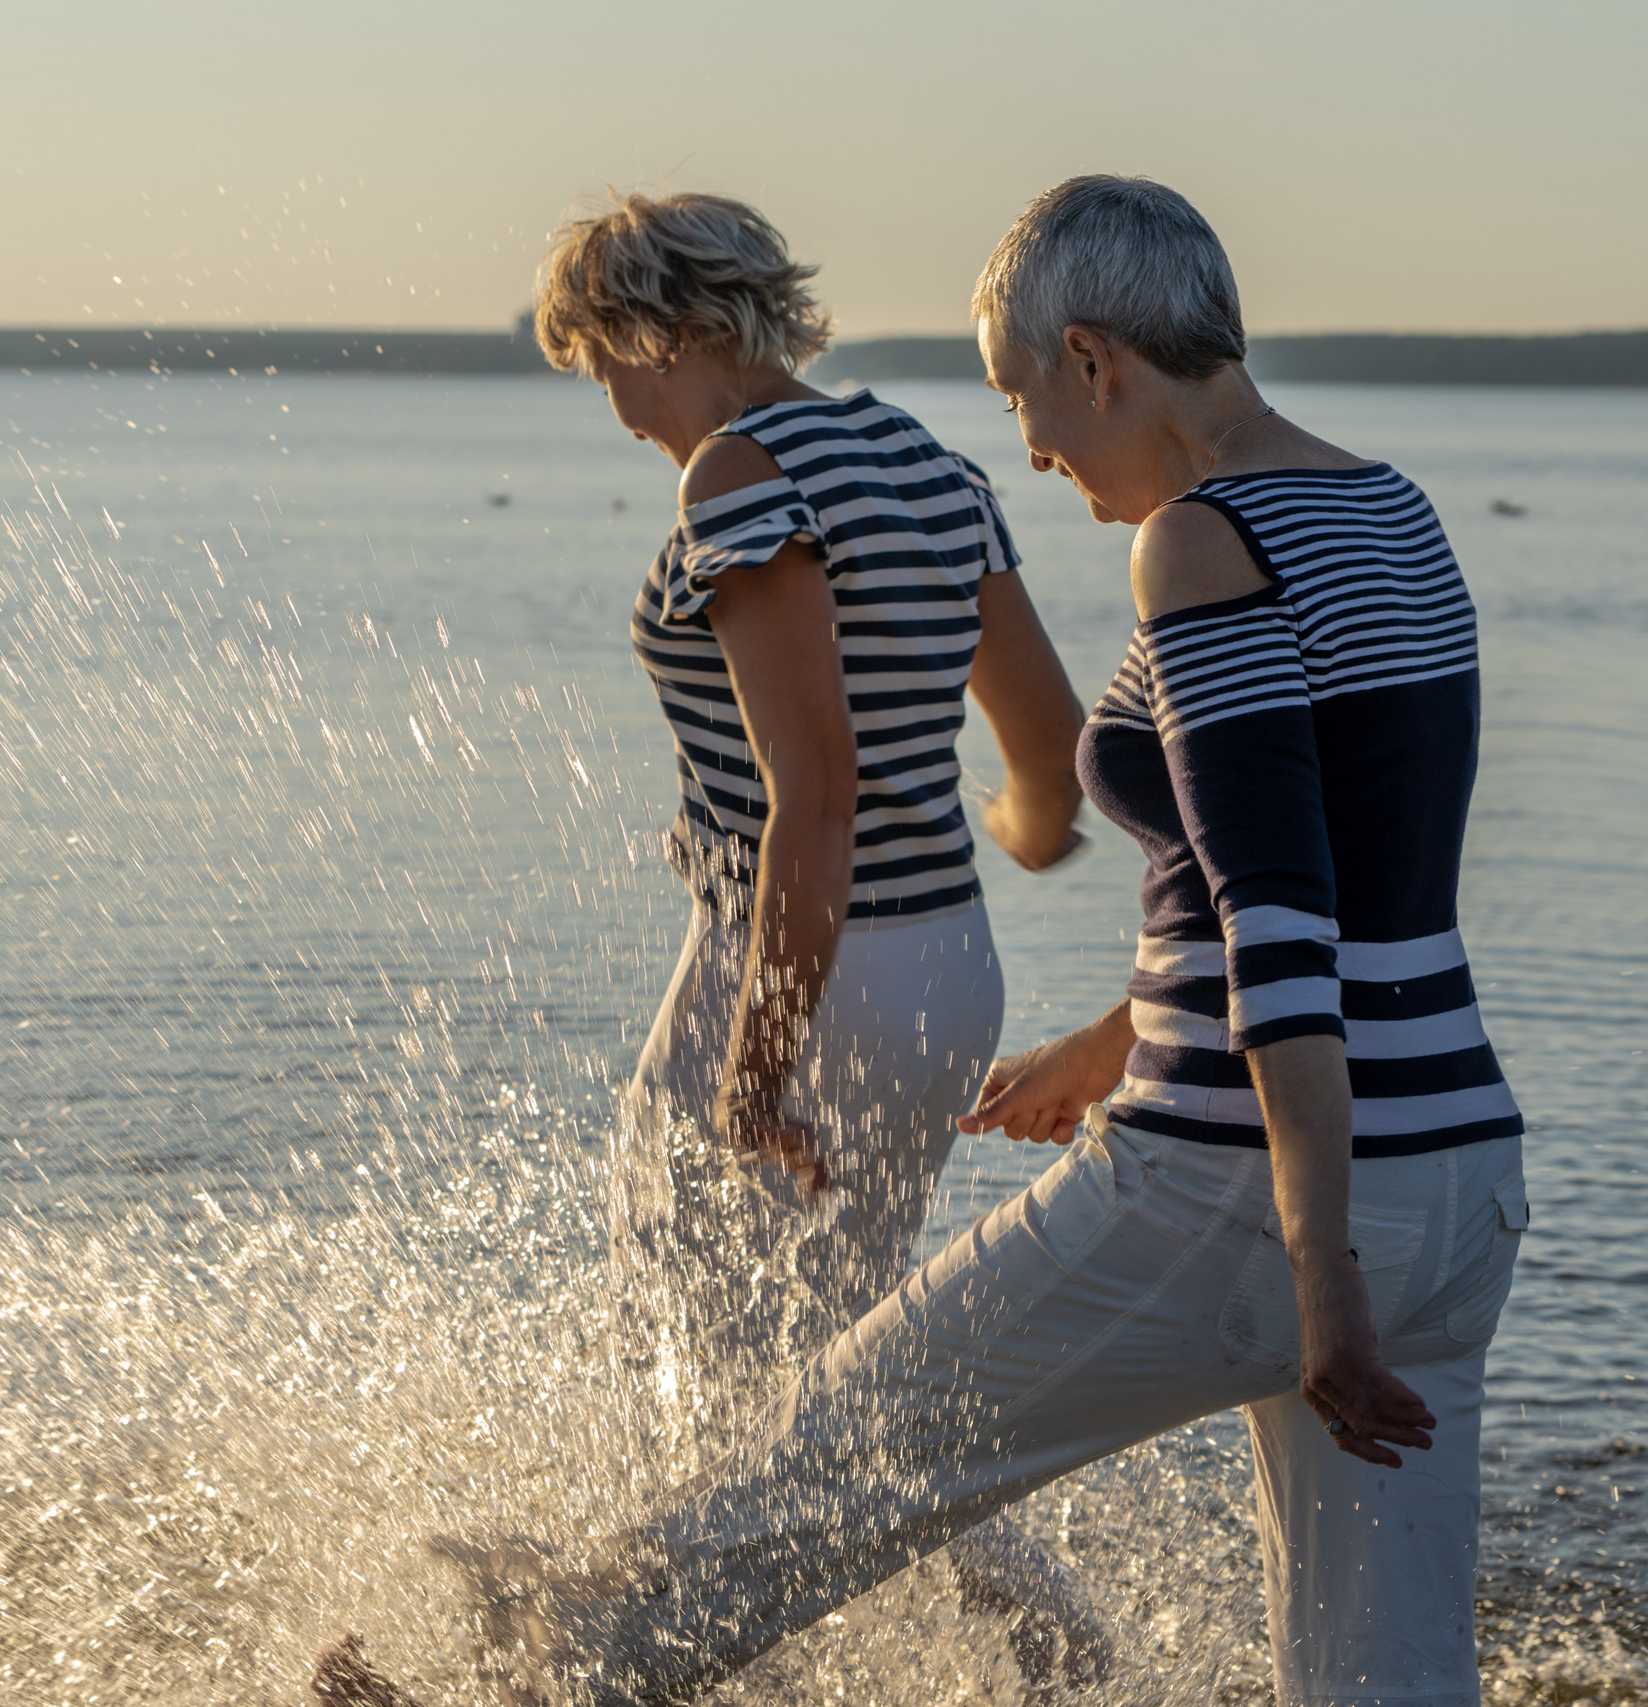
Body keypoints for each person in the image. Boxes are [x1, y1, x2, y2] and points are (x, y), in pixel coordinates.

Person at [317, 174, 1527, 1707]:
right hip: (1459, 1178)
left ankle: (502, 1691)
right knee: (1387, 1680)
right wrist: (1115, 1042)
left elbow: (1285, 926)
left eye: (1031, 397)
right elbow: (1362, 888)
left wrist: (1320, 1269)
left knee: (823, 1467)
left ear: (1095, 362)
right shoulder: (1386, 506)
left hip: (1253, 1191)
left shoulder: (1202, 546)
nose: (1028, 445)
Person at [536, 192, 1102, 1676]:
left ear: (658, 333)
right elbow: (1048, 745)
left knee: (704, 1363)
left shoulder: (736, 474)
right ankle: (1058, 1652)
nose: (611, 406)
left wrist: (755, 1064)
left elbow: (815, 797)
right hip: (942, 966)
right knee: (839, 1363)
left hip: (803, 963)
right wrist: (1019, 821)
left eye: (602, 363)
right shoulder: (925, 457)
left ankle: (655, 1663)